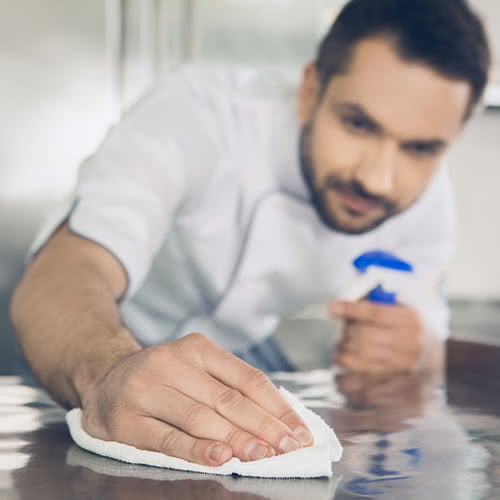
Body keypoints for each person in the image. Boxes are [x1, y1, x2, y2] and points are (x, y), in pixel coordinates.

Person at [11, 0, 490, 467]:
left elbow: (428, 344)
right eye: (358, 124)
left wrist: (411, 350)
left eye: (421, 148)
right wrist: (106, 373)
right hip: (93, 339)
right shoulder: (199, 112)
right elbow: (69, 270)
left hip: (243, 354)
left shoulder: (426, 204)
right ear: (309, 90)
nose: (379, 179)